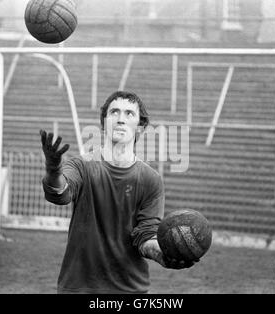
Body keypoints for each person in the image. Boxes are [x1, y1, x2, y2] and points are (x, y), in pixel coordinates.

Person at [40, 91, 197, 294]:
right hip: (78, 288)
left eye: (129, 114)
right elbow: (60, 193)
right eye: (114, 112)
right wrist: (53, 170)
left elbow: (146, 236)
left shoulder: (150, 179)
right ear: (104, 123)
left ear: (140, 128)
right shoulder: (81, 166)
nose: (121, 119)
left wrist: (163, 255)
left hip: (129, 290)